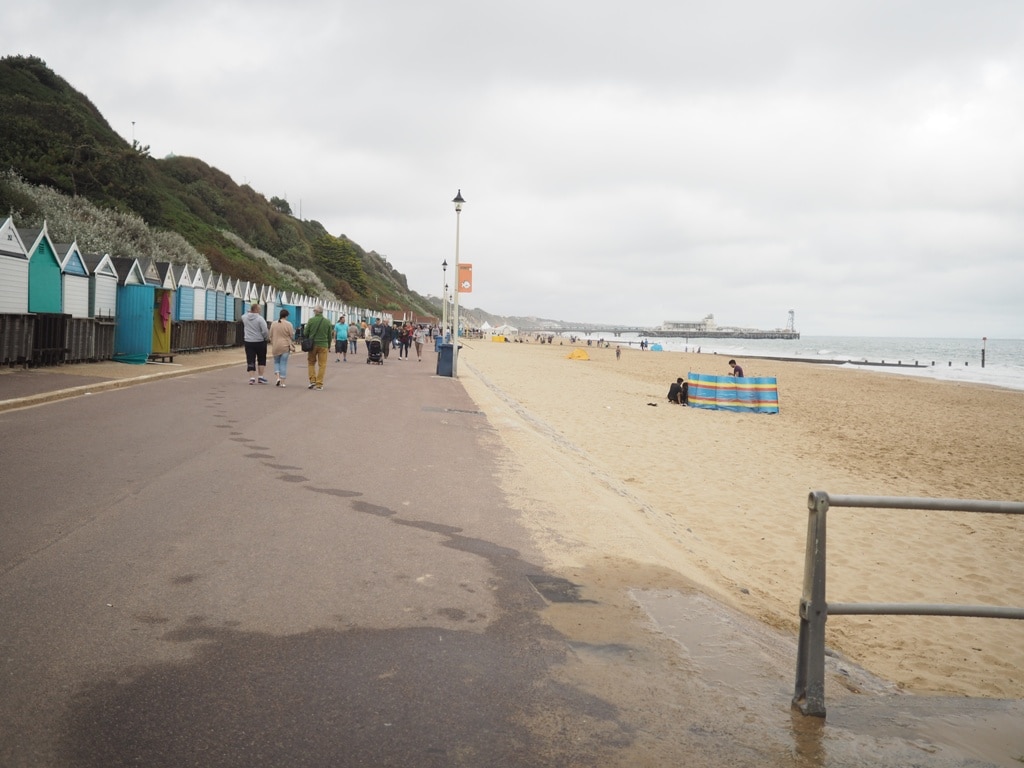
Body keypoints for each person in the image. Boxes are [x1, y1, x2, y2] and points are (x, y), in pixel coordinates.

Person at [304, 304, 333, 390]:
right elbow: (329, 335)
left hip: (312, 345)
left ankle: (312, 380)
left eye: (314, 311)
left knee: (311, 363)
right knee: (322, 365)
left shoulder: (311, 320)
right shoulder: (327, 322)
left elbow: (306, 333)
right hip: (323, 345)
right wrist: (329, 345)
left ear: (316, 312)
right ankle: (319, 384)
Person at [241, 303, 269, 385]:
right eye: (259, 309)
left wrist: (248, 312)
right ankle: (260, 377)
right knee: (261, 359)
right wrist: (266, 338)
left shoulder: (245, 317)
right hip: (260, 341)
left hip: (248, 341)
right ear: (256, 310)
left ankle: (251, 378)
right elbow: (265, 330)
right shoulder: (260, 319)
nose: (260, 310)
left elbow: (243, 315)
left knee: (250, 359)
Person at [269, 308, 295, 387]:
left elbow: (270, 335)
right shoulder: (289, 324)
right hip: (285, 346)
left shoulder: (273, 323)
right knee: (283, 364)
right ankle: (283, 382)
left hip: (276, 346)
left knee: (276, 362)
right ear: (286, 316)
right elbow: (291, 335)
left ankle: (277, 378)